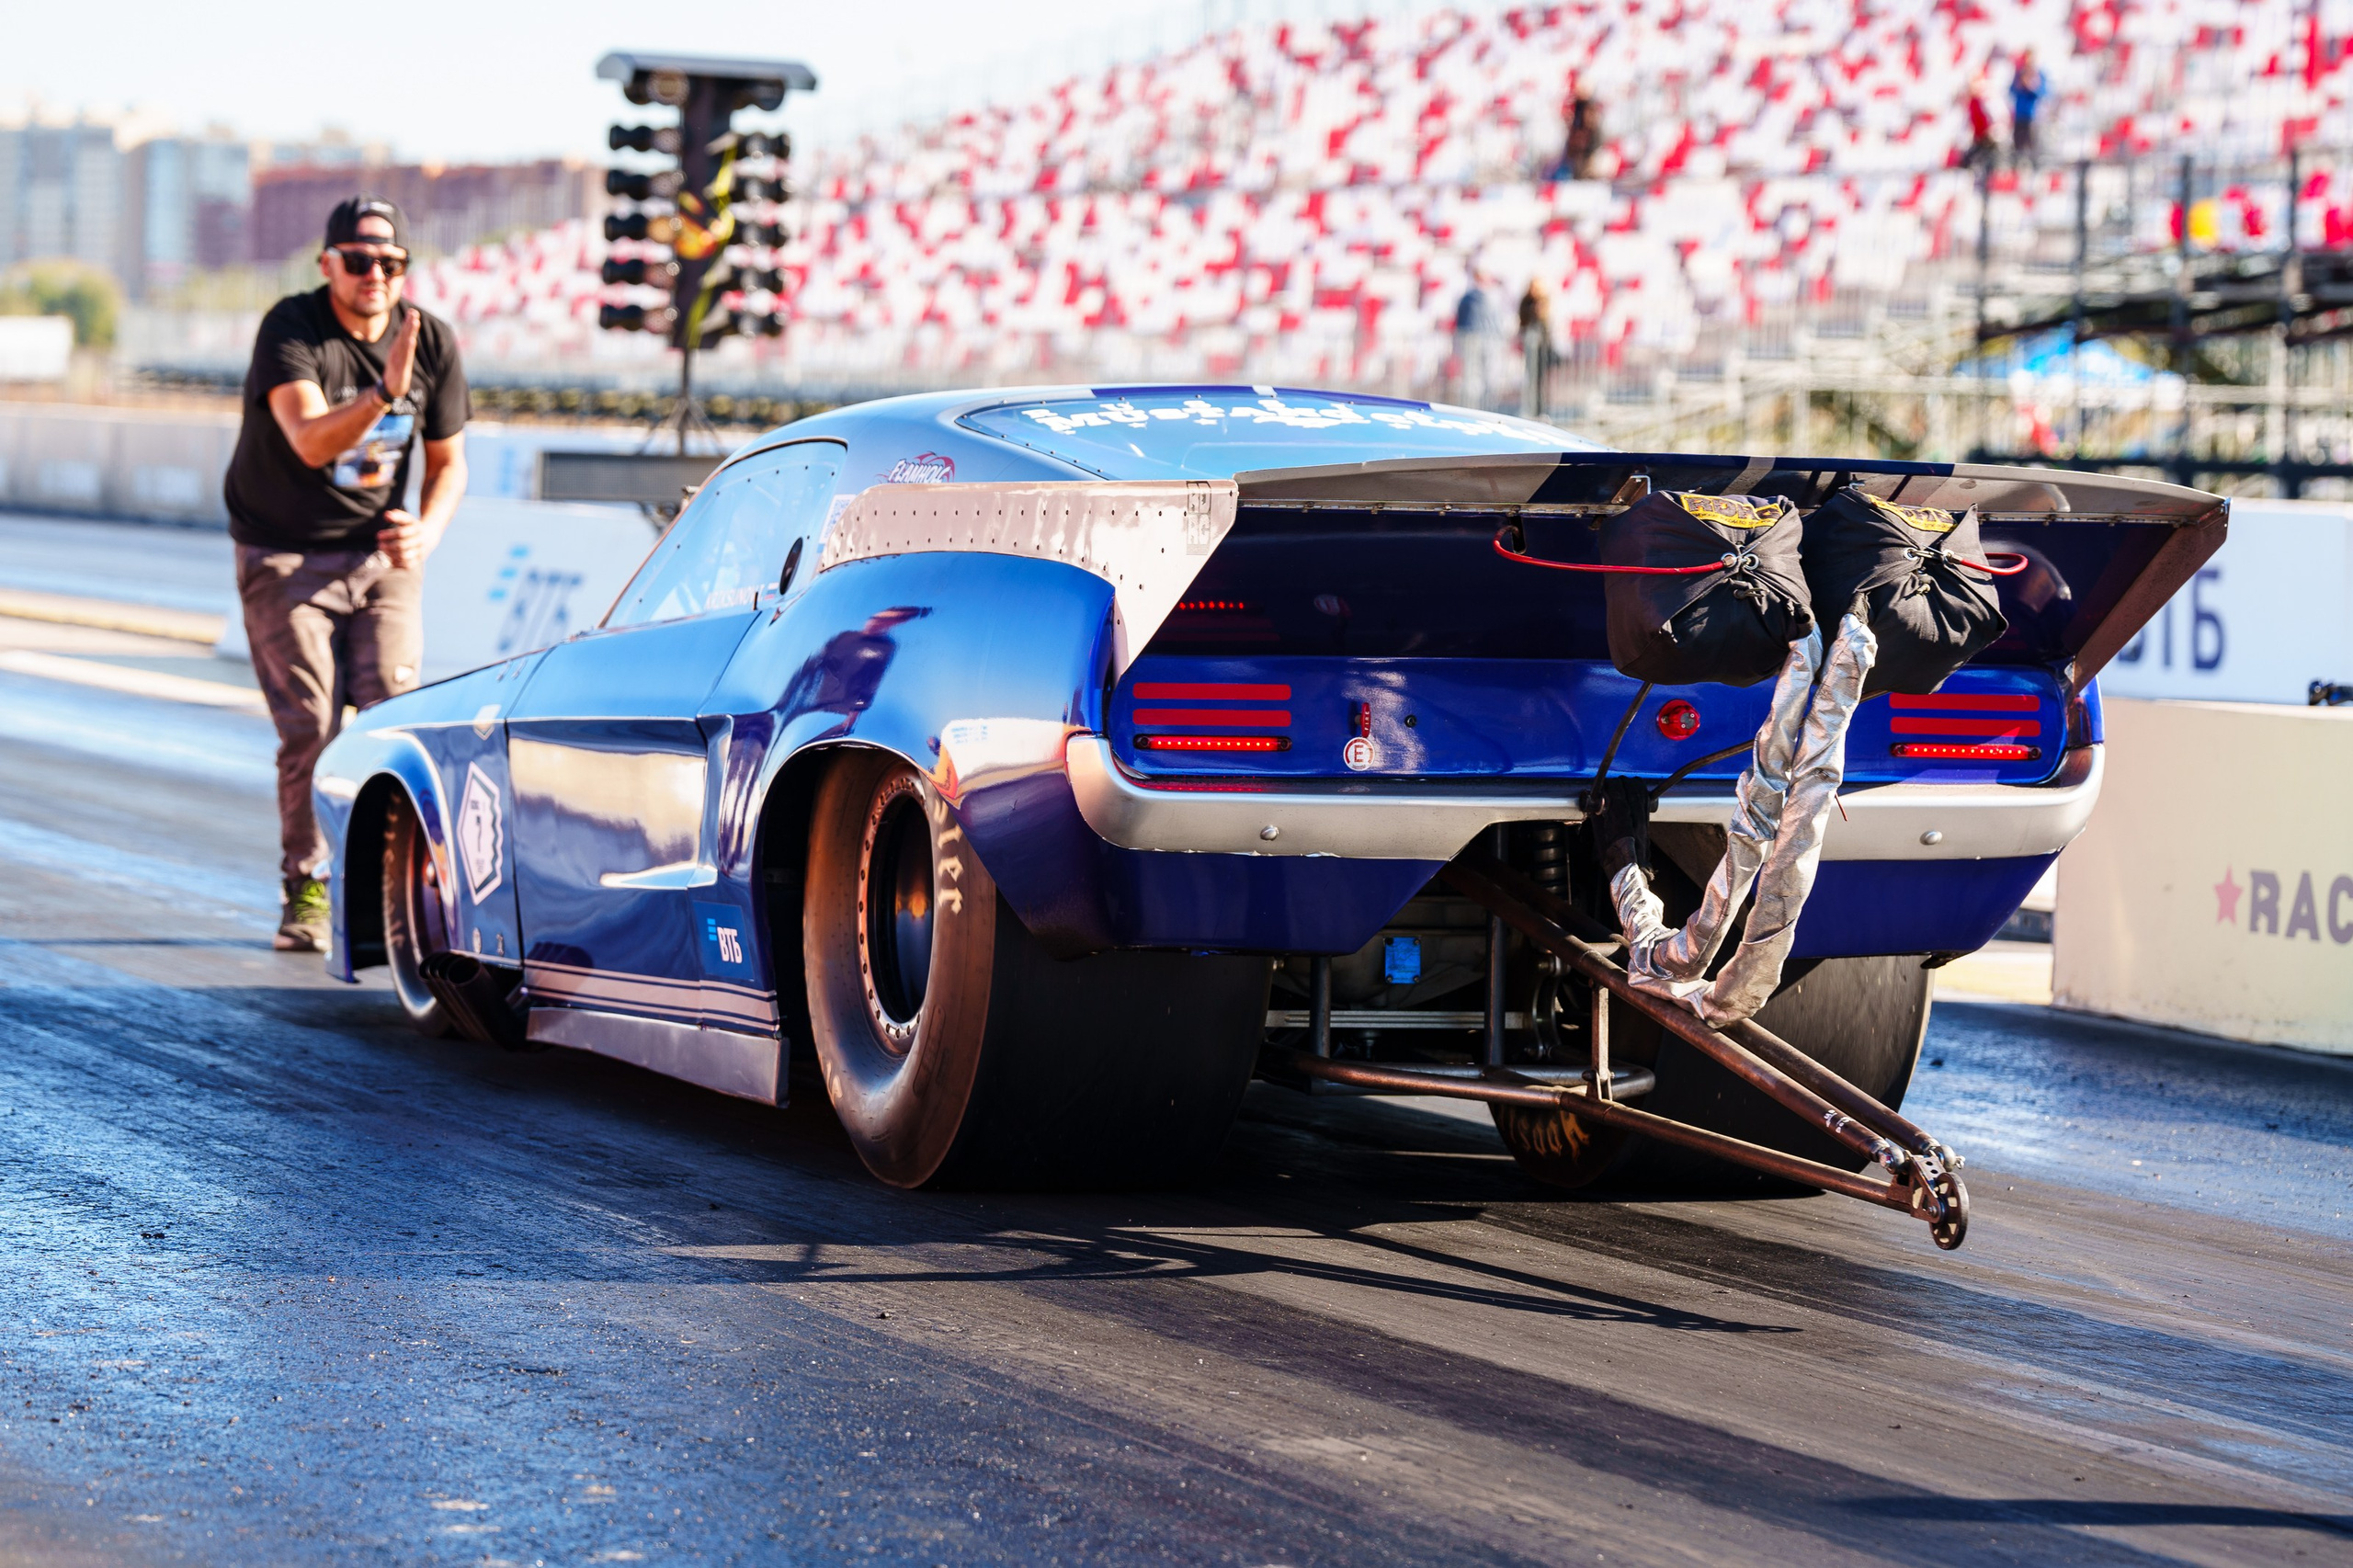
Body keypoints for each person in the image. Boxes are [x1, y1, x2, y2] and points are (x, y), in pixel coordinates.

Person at [222, 196, 470, 951]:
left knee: (395, 714)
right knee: (312, 727)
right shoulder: (292, 328)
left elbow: (450, 463)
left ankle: (408, 896)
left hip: (377, 553)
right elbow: (306, 439)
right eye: (358, 261)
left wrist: (422, 533)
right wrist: (382, 395)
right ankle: (306, 890)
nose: (376, 275)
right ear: (327, 264)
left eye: (390, 263)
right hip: (283, 554)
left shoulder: (431, 340)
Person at [2008, 51, 2045, 166]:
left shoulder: (2039, 75)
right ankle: (2016, 166)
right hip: (2019, 115)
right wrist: (2020, 85)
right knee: (2018, 143)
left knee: (2032, 143)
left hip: (2032, 115)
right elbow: (2011, 91)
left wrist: (2031, 87)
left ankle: (2035, 166)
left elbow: (2043, 93)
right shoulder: (2019, 75)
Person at [1961, 76, 1997, 170]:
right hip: (1978, 135)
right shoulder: (1972, 103)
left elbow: (1989, 117)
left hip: (1985, 134)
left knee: (1986, 153)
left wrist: (1989, 130)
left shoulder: (1982, 101)